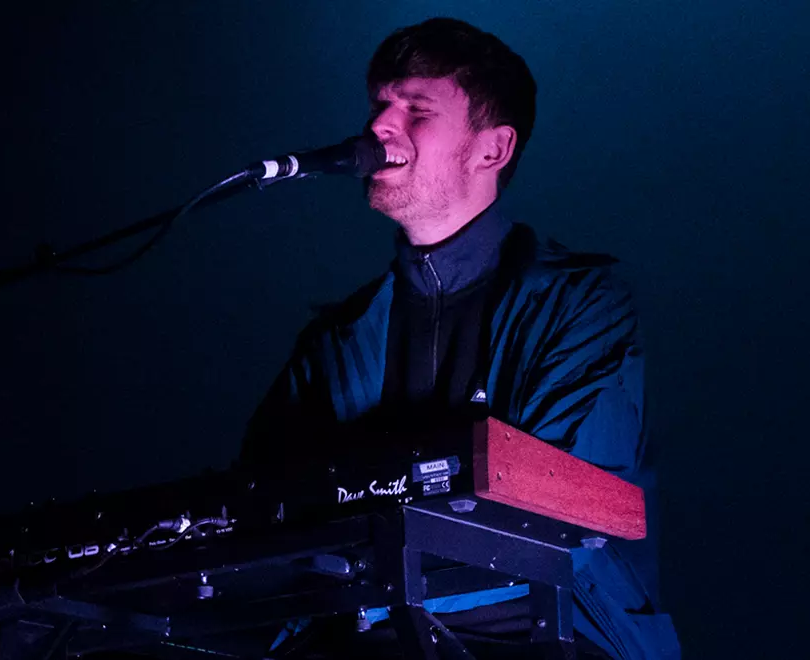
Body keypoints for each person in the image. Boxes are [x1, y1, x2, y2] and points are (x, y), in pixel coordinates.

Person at [241, 17, 680, 660]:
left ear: (492, 150)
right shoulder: (332, 342)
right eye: (379, 106)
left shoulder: (583, 302)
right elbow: (259, 509)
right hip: (368, 632)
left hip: (546, 635)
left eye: (416, 109)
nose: (380, 127)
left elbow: (561, 515)